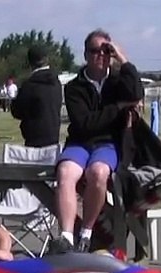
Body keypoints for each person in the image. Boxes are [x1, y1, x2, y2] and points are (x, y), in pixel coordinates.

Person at [54, 29, 142, 252]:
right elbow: (84, 124)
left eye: (106, 51)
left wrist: (123, 59)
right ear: (85, 55)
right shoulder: (74, 87)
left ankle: (86, 232)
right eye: (95, 51)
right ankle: (66, 236)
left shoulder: (116, 81)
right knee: (65, 173)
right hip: (80, 142)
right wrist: (117, 108)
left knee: (99, 173)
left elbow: (135, 92)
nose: (100, 55)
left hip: (107, 143)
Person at [11, 46, 63, 148]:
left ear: (30, 62)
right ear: (47, 59)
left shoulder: (29, 85)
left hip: (33, 136)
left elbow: (17, 111)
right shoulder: (56, 82)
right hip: (54, 135)